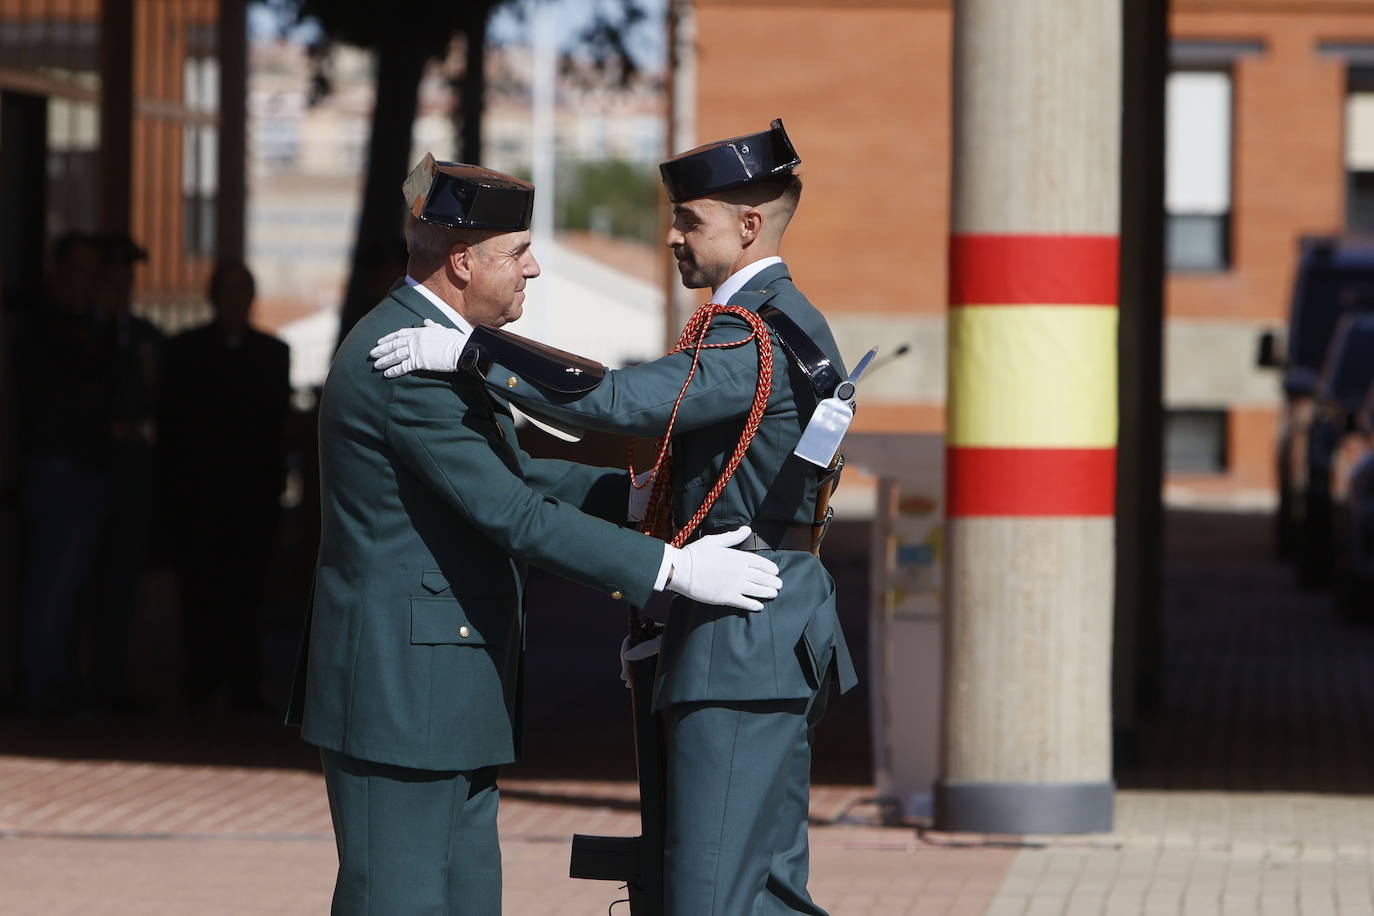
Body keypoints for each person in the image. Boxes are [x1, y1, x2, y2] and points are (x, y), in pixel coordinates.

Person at [372, 120, 857, 916]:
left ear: (747, 226)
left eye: (688, 220)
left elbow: (622, 401)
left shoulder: (753, 333)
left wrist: (473, 354)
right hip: (764, 630)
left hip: (742, 638)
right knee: (762, 892)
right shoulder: (778, 321)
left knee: (707, 896)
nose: (671, 235)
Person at [287, 155, 783, 915]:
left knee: (462, 898)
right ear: (462, 261)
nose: (534, 267)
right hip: (400, 689)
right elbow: (510, 514)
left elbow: (515, 473)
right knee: (401, 899)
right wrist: (670, 569)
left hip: (441, 685)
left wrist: (630, 498)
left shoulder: (442, 345)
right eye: (517, 252)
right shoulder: (407, 361)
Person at [159, 261, 291, 712]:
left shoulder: (273, 353)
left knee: (249, 593)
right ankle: (198, 683)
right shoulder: (183, 352)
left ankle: (243, 687)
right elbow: (172, 428)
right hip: (196, 495)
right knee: (198, 591)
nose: (234, 300)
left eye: (241, 291)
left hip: (252, 498)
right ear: (213, 297)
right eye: (227, 291)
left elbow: (277, 430)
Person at [16, 232, 110, 715]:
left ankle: (54, 675)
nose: (87, 283)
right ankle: (40, 683)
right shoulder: (44, 327)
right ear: (58, 273)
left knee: (68, 581)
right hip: (57, 465)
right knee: (53, 580)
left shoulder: (89, 325)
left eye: (94, 273)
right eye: (79, 271)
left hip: (83, 466)